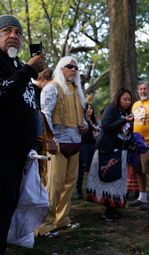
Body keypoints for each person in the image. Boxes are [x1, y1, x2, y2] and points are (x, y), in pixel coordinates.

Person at [0, 14, 46, 254]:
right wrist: (28, 69)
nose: (13, 36)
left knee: (9, 208)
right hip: (2, 153)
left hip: (20, 155)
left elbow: (31, 105)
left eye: (18, 33)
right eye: (6, 31)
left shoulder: (19, 66)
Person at [35, 56, 88, 238]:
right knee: (53, 185)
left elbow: (82, 118)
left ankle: (63, 218)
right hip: (56, 144)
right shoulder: (52, 87)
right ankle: (45, 224)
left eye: (76, 67)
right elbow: (45, 115)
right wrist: (48, 140)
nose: (73, 69)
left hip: (75, 143)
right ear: (61, 68)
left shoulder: (77, 91)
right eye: (69, 66)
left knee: (70, 183)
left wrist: (85, 126)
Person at [86, 88, 134, 222]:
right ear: (118, 98)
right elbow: (106, 127)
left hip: (122, 152)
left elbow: (127, 132)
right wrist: (124, 120)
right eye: (124, 99)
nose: (127, 102)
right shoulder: (110, 109)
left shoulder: (128, 113)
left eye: (129, 100)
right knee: (109, 179)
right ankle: (108, 209)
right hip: (108, 151)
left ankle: (115, 206)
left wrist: (131, 143)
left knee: (118, 181)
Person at [128, 81, 149, 210]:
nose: (143, 91)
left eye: (145, 89)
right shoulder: (135, 105)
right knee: (139, 171)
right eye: (141, 89)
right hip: (135, 145)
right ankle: (142, 197)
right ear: (138, 92)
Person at [76, 103, 100, 199]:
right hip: (84, 146)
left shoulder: (95, 122)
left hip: (94, 147)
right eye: (87, 108)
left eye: (91, 108)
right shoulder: (82, 121)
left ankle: (92, 191)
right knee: (81, 169)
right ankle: (79, 191)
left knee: (93, 169)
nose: (89, 109)